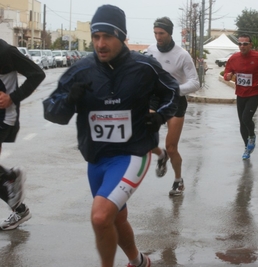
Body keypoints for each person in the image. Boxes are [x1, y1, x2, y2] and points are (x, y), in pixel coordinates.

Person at [42, 5, 179, 267]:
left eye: (107, 36)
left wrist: (161, 115)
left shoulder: (144, 67)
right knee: (116, 219)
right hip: (96, 159)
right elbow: (52, 112)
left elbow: (172, 92)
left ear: (122, 36)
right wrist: (69, 101)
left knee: (100, 216)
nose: (100, 44)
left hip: (132, 154)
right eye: (95, 37)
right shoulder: (81, 70)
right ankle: (139, 261)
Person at [146, 17, 200, 196]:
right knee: (144, 136)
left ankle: (178, 180)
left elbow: (195, 83)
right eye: (155, 33)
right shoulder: (151, 50)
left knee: (172, 147)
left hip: (176, 100)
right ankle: (161, 155)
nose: (158, 37)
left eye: (161, 33)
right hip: (155, 99)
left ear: (169, 33)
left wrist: (174, 89)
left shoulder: (182, 55)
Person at [0, 39, 45, 230]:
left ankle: (11, 179)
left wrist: (12, 97)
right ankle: (11, 180)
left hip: (3, 118)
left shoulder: (5, 52)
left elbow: (37, 74)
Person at [223, 33, 258, 160]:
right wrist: (227, 76)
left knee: (246, 118)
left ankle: (252, 136)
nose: (242, 46)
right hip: (240, 94)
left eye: (245, 44)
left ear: (250, 45)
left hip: (254, 93)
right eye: (240, 44)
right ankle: (247, 147)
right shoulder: (234, 58)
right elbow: (227, 72)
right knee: (242, 122)